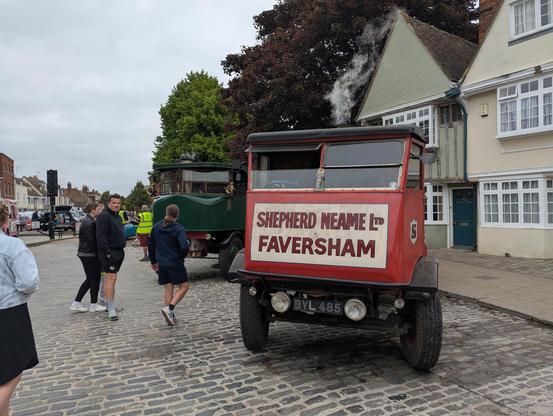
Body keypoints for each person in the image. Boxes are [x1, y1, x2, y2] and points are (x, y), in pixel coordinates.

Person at [0, 204, 39, 416]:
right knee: (13, 371)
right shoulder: (11, 246)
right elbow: (28, 281)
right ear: (6, 221)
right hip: (8, 313)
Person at [148, 204, 190, 326]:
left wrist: (153, 261)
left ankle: (170, 316)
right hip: (175, 261)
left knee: (168, 288)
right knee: (184, 286)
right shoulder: (179, 229)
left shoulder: (156, 227)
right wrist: (181, 256)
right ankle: (170, 308)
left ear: (166, 212)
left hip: (162, 263)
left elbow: (151, 245)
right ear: (177, 215)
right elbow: (183, 246)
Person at [70, 202, 106, 313]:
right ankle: (91, 304)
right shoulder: (89, 223)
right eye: (98, 209)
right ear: (92, 210)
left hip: (86, 254)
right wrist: (100, 254)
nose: (100, 211)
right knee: (93, 279)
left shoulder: (88, 221)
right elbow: (92, 242)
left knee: (91, 279)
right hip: (89, 254)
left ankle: (79, 303)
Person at [96, 194, 126, 321]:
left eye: (118, 203)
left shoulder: (117, 216)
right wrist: (108, 253)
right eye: (114, 203)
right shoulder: (104, 216)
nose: (116, 205)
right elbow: (101, 237)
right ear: (109, 203)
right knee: (110, 278)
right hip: (110, 253)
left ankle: (110, 305)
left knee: (113, 278)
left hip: (119, 252)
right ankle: (111, 308)